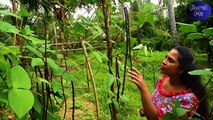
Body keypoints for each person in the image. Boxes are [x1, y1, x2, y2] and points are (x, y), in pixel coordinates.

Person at [128, 46, 208, 120]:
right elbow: (154, 105)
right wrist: (146, 108)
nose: (164, 62)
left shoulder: (188, 99)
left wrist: (143, 89)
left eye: (170, 60)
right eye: (165, 57)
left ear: (181, 69)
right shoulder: (162, 81)